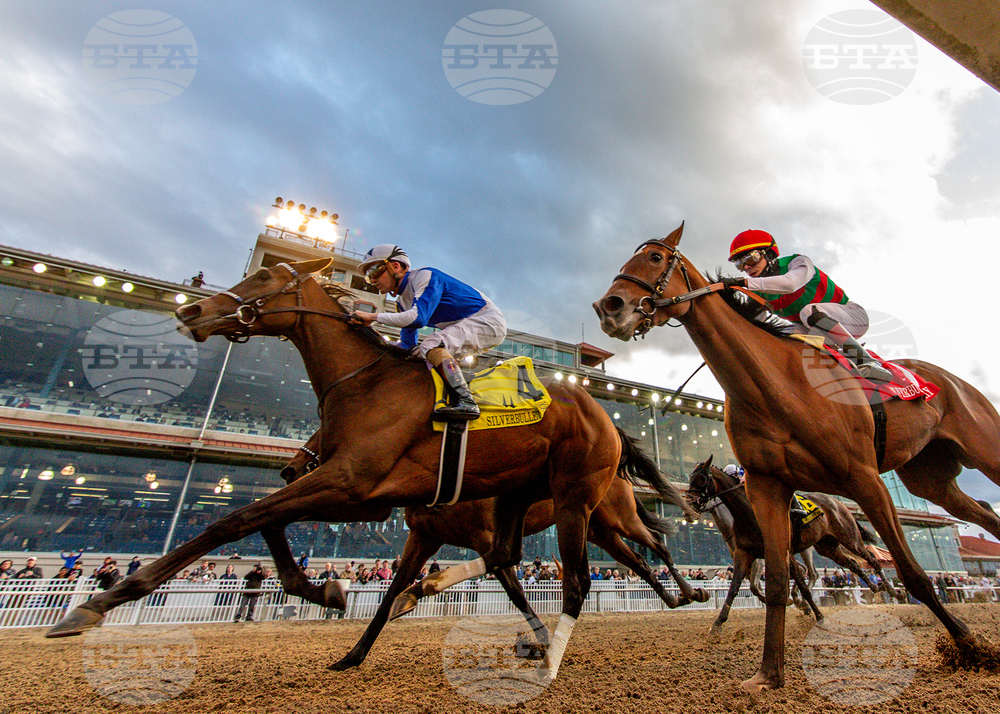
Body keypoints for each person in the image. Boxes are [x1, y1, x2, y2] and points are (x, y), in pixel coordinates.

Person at [351, 244, 507, 420]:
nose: (373, 280)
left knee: (431, 344)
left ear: (395, 266)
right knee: (417, 353)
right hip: (470, 323)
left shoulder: (424, 276)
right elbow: (406, 346)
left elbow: (418, 318)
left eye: (374, 271)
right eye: (368, 277)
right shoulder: (402, 303)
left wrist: (373, 317)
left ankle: (467, 401)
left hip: (488, 320)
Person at [724, 229, 892, 382]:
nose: (746, 267)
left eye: (751, 258)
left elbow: (790, 284)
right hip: (814, 329)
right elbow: (752, 328)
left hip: (852, 317)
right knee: (783, 335)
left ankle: (867, 362)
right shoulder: (758, 294)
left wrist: (743, 282)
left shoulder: (798, 262)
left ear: (768, 254)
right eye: (740, 264)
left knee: (808, 312)